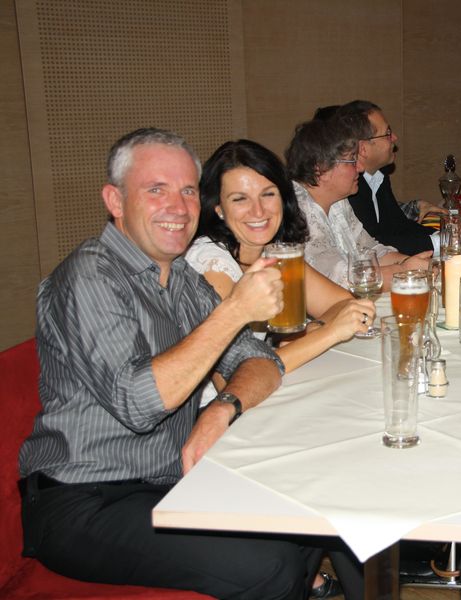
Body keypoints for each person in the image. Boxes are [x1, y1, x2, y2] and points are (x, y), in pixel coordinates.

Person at [17, 128, 324, 598]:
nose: (178, 207)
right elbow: (140, 403)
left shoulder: (182, 279)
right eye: (156, 190)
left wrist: (223, 407)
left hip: (166, 481)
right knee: (270, 562)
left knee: (310, 511)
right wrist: (234, 310)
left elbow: (262, 362)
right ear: (115, 201)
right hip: (82, 499)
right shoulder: (88, 277)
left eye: (187, 191)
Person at [187, 139, 376, 377]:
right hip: (225, 398)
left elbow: (346, 304)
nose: (258, 211)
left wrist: (310, 330)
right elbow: (240, 372)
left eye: (268, 194)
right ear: (219, 209)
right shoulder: (210, 263)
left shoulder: (275, 253)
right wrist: (330, 332)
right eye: (240, 199)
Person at [284, 118, 431, 288]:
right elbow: (339, 278)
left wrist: (414, 263)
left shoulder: (338, 202)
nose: (360, 168)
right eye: (352, 160)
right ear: (321, 169)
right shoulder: (298, 211)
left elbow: (369, 250)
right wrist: (405, 271)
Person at [337, 100, 444, 256]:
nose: (394, 137)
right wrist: (441, 242)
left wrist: (442, 235)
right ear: (363, 149)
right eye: (387, 134)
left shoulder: (378, 176)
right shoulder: (350, 188)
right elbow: (374, 243)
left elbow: (400, 226)